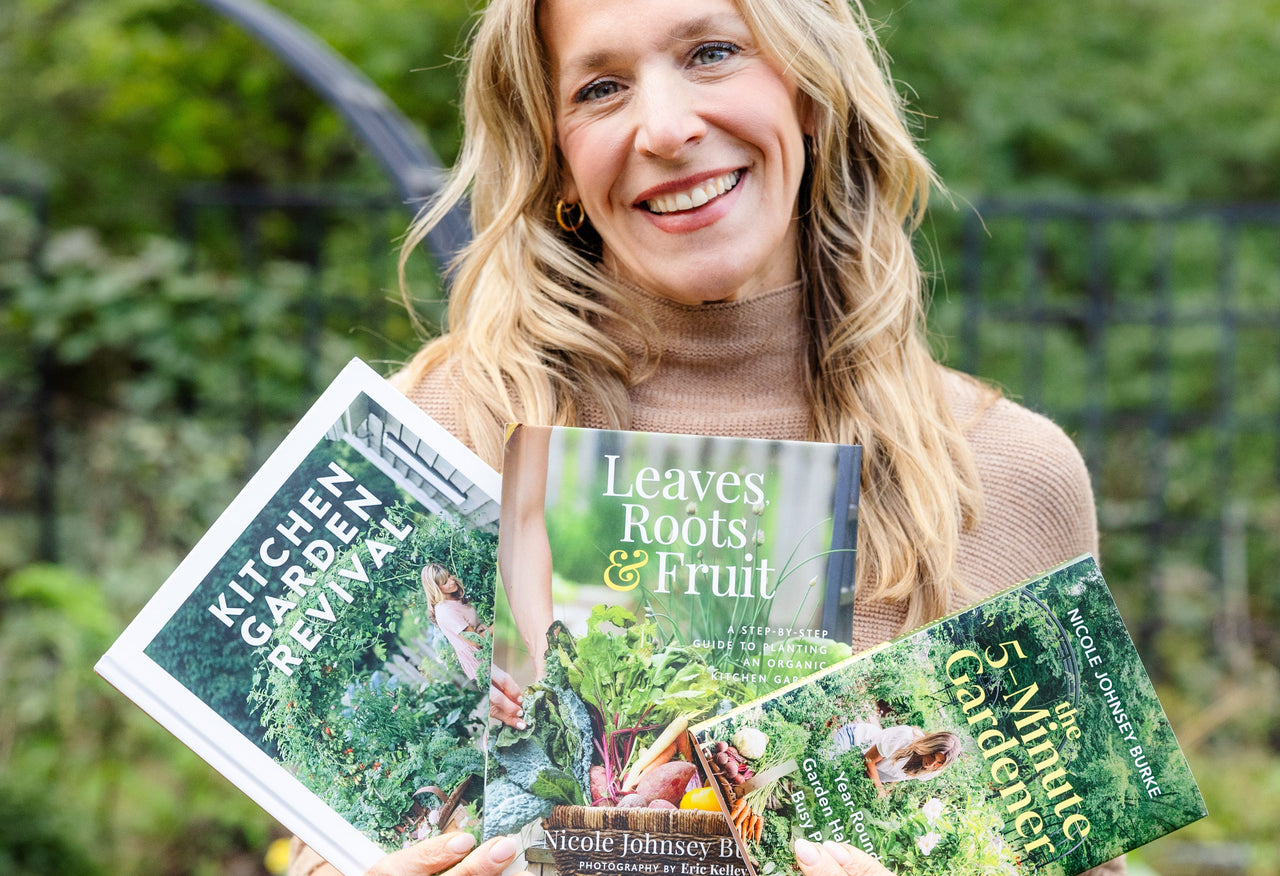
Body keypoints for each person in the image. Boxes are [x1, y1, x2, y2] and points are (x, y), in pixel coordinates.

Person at [290, 0, 1122, 873]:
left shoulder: (1010, 476)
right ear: (556, 157)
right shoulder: (432, 432)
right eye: (601, 88)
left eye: (714, 52)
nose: (666, 127)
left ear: (811, 90)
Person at [831, 722, 963, 797]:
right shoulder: (904, 738)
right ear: (928, 746)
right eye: (932, 756)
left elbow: (902, 775)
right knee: (823, 766)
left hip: (861, 766)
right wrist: (879, 789)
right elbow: (869, 759)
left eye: (939, 762)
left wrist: (885, 792)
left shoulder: (932, 770)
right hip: (853, 741)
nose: (931, 764)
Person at [421, 563, 487, 681]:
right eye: (445, 582)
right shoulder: (445, 610)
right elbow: (476, 642)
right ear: (435, 589)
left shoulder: (452, 598)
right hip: (482, 661)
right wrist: (497, 626)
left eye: (449, 575)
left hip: (486, 650)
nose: (452, 581)